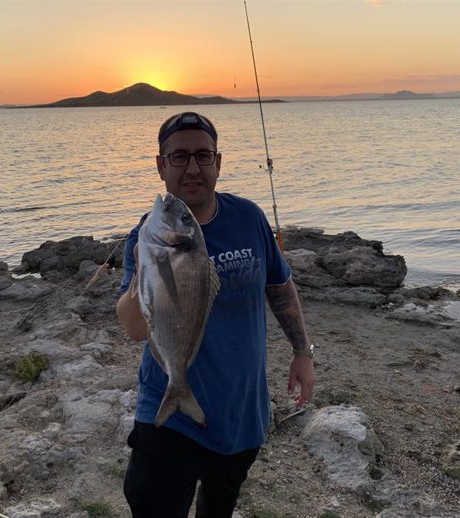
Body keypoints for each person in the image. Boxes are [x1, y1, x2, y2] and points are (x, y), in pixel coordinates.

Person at [116, 112, 315, 518]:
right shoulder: (146, 236)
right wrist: (143, 272)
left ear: (218, 163)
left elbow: (279, 287)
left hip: (241, 410)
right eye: (179, 157)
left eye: (203, 156)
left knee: (219, 507)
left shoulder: (248, 217)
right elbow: (135, 328)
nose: (193, 168)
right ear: (161, 165)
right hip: (167, 417)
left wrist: (303, 352)